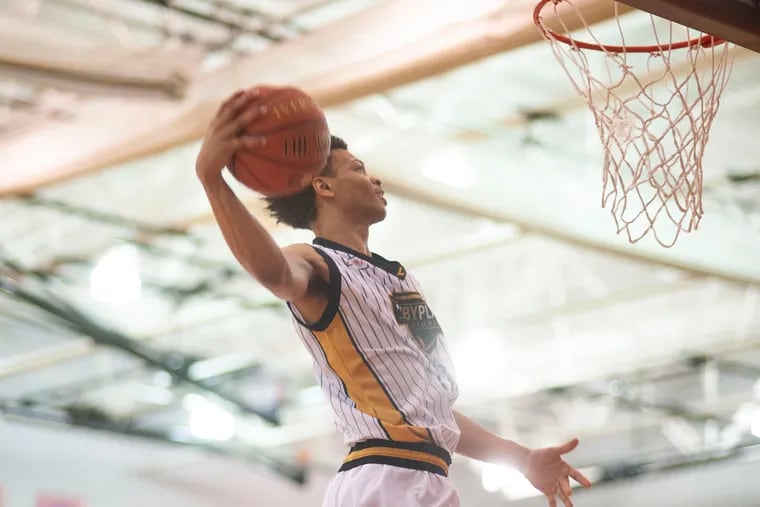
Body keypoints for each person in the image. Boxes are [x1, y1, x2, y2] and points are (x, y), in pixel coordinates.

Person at [196, 88, 592, 507]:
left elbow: (431, 414)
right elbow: (275, 273)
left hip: (426, 475)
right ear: (323, 185)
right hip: (382, 476)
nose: (375, 179)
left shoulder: (401, 280)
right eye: (358, 169)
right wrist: (213, 180)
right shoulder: (315, 262)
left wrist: (522, 457)